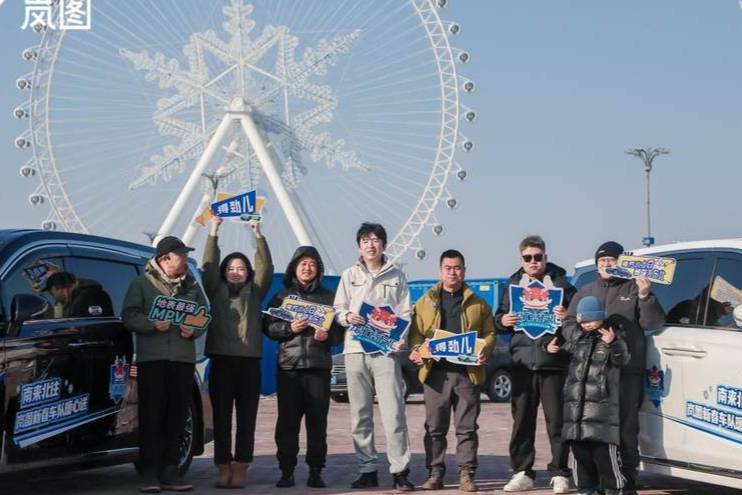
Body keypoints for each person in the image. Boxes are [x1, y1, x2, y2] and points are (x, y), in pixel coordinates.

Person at [563, 241, 666, 495]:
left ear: (621, 263)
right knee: (592, 432)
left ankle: (626, 483)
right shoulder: (585, 291)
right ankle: (595, 484)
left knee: (625, 430)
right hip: (591, 374)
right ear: (596, 265)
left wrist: (645, 296)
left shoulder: (634, 288)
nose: (607, 265)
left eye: (612, 260)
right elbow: (567, 324)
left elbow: (652, 323)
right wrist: (582, 336)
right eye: (602, 261)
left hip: (626, 372)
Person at [122, 235, 209, 493]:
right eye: (181, 256)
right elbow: (129, 314)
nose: (185, 260)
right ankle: (149, 472)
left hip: (183, 359)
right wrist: (149, 325)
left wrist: (192, 330)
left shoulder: (192, 286)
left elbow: (204, 315)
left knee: (177, 415)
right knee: (152, 414)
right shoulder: (142, 283)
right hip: (152, 359)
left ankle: (171, 470)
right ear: (164, 259)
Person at [333, 222, 415, 491]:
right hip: (355, 349)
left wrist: (400, 337)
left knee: (394, 414)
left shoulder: (397, 276)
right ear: (359, 246)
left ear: (384, 244)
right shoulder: (349, 275)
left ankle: (400, 470)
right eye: (365, 240)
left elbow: (405, 312)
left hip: (385, 352)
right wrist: (346, 317)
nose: (371, 244)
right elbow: (338, 308)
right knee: (360, 414)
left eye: (376, 239)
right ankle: (367, 468)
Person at [408, 249, 496, 492]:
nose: (453, 272)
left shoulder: (478, 303)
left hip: (467, 373)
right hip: (435, 373)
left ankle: (467, 474)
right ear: (440, 271)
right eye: (448, 268)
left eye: (457, 268)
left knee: (466, 427)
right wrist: (417, 349)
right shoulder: (425, 301)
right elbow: (415, 333)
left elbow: (490, 333)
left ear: (464, 271)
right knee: (434, 427)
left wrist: (484, 351)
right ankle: (435, 473)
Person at [495, 236, 575, 494]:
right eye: (528, 257)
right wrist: (503, 321)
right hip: (521, 363)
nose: (533, 262)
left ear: (545, 258)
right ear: (521, 259)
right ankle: (522, 472)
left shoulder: (562, 285)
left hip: (553, 364)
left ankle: (560, 472)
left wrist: (563, 325)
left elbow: (576, 323)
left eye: (537, 257)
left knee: (557, 423)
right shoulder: (513, 285)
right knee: (522, 422)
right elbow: (498, 319)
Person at [264, 246, 344, 489]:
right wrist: (290, 329)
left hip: (318, 368)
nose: (307, 268)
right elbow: (267, 326)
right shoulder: (282, 297)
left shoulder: (330, 298)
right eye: (303, 264)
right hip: (290, 367)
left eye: (312, 264)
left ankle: (316, 470)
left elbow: (339, 334)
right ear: (294, 268)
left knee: (317, 423)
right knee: (287, 422)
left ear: (318, 268)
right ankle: (286, 470)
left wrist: (326, 337)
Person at [202, 216, 273, 489]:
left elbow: (266, 267)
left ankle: (241, 466)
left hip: (248, 363)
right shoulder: (215, 289)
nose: (235, 271)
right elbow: (208, 266)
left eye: (241, 268)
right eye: (231, 267)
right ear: (224, 271)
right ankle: (223, 466)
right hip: (220, 361)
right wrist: (214, 230)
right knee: (221, 418)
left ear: (248, 272)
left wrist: (258, 235)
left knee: (246, 418)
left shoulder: (255, 292)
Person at [552, 296, 630, 495]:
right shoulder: (578, 339)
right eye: (583, 320)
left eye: (591, 320)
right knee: (580, 453)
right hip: (575, 410)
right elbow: (566, 359)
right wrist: (553, 349)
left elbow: (622, 360)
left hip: (601, 411)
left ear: (601, 318)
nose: (587, 324)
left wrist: (613, 344)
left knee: (604, 455)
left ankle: (615, 489)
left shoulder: (613, 336)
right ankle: (587, 489)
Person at [44, 271, 114, 318]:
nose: (51, 294)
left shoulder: (91, 296)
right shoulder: (60, 304)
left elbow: (94, 325)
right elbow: (58, 322)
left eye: (52, 291)